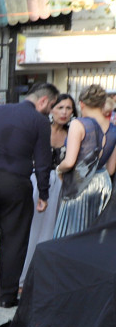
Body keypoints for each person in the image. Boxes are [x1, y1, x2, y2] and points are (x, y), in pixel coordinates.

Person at [0, 82, 58, 307]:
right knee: (14, 240)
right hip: (17, 183)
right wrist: (43, 194)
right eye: (52, 105)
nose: (51, 111)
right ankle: (7, 297)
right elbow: (43, 161)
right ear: (43, 100)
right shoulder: (39, 121)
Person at [22, 93, 75, 283]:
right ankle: (24, 276)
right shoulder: (41, 127)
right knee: (33, 230)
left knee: (54, 231)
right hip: (38, 183)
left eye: (69, 108)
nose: (64, 112)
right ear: (52, 109)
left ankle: (44, 276)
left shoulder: (72, 133)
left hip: (63, 187)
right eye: (60, 107)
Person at [53, 84, 116, 238]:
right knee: (93, 237)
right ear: (102, 103)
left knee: (69, 234)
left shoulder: (79, 124)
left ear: (81, 103)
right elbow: (111, 169)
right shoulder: (114, 128)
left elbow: (69, 162)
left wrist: (59, 169)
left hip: (80, 183)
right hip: (103, 184)